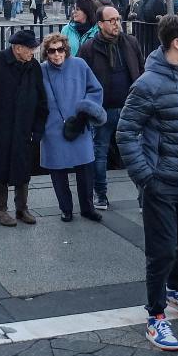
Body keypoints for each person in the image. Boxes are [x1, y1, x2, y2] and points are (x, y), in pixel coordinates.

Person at [117, 15, 178, 351]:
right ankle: (155, 316)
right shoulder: (147, 83)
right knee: (162, 251)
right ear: (177, 43)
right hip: (161, 182)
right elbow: (126, 132)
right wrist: (146, 178)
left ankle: (176, 289)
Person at [0, 30, 48, 225]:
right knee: (1, 169)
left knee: (23, 168)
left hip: (25, 126)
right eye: (30, 48)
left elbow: (41, 97)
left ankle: (22, 208)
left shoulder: (33, 66)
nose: (33, 52)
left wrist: (39, 127)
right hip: (1, 125)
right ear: (18, 48)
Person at [78, 5, 143, 211]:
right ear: (100, 24)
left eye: (118, 19)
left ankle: (144, 197)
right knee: (100, 152)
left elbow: (140, 71)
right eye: (112, 20)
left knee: (136, 153)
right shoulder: (89, 47)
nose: (117, 24)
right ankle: (101, 195)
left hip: (129, 108)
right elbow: (82, 80)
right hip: (102, 110)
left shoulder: (131, 42)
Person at [40, 32, 106, 223]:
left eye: (60, 49)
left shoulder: (79, 65)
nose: (57, 54)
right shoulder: (41, 70)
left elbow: (95, 89)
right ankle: (66, 209)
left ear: (66, 49)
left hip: (79, 123)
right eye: (52, 51)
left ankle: (87, 208)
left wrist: (85, 112)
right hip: (52, 127)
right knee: (57, 170)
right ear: (46, 53)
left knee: (85, 167)